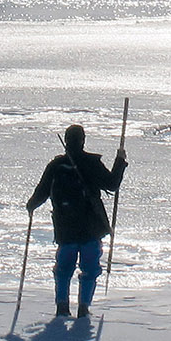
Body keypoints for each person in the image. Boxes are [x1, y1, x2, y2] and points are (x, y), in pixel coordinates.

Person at [26, 124, 127, 319]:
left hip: (65, 228)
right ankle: (83, 308)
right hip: (90, 227)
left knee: (63, 269)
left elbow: (42, 191)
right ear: (83, 140)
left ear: (66, 140)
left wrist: (31, 206)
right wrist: (120, 160)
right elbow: (112, 184)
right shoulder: (91, 163)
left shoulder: (55, 166)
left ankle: (62, 306)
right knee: (89, 269)